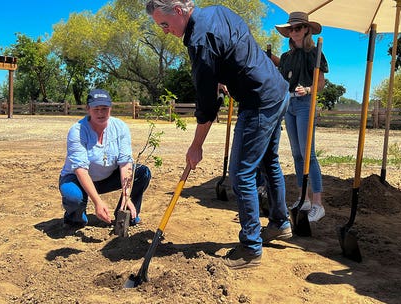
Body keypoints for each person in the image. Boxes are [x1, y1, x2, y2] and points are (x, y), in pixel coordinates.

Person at [146, 0, 291, 269]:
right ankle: (280, 223)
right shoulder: (216, 10)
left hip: (258, 100)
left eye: (164, 24)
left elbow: (207, 105)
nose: (164, 31)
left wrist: (196, 146)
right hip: (277, 90)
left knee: (242, 173)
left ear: (178, 11)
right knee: (269, 162)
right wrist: (226, 75)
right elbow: (237, 45)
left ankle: (250, 248)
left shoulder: (198, 41)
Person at [58, 89, 151, 228]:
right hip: (77, 179)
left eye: (104, 109)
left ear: (110, 108)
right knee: (73, 196)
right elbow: (80, 170)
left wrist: (127, 195)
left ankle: (126, 213)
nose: (100, 113)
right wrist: (97, 202)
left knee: (143, 173)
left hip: (107, 177)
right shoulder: (77, 131)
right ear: (88, 109)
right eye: (96, 109)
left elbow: (126, 163)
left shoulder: (120, 127)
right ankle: (75, 219)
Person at [275, 12, 329, 223]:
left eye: (298, 28)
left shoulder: (314, 53)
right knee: (297, 154)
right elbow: (283, 77)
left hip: (305, 103)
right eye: (291, 29)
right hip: (289, 104)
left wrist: (307, 89)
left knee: (309, 154)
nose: (294, 31)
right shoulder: (287, 57)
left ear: (307, 29)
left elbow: (321, 84)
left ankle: (318, 203)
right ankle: (303, 198)